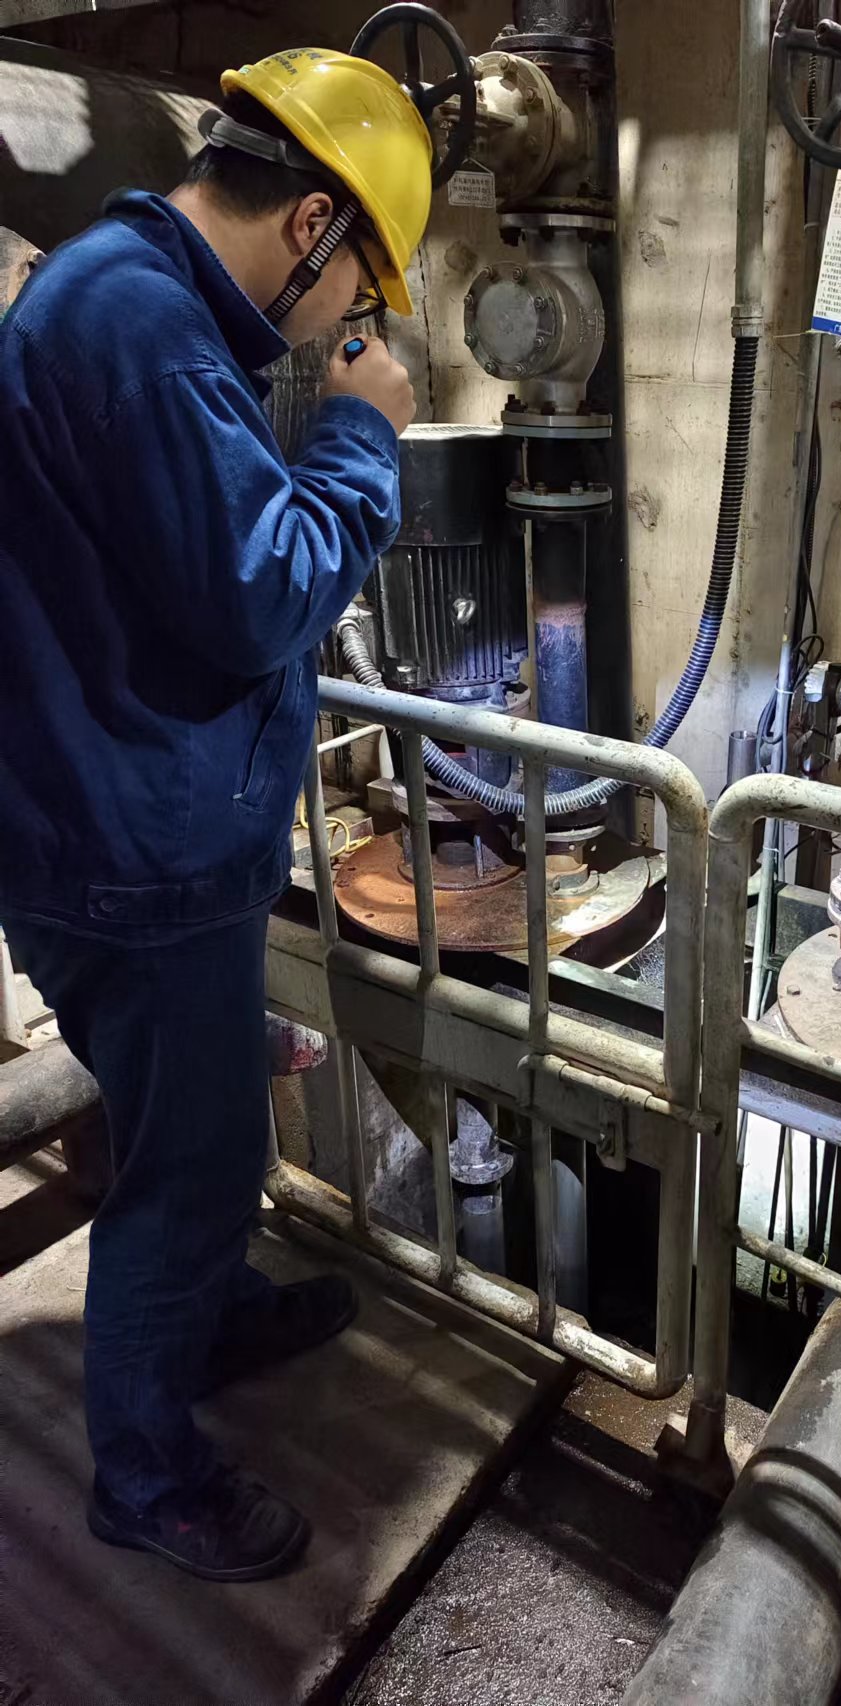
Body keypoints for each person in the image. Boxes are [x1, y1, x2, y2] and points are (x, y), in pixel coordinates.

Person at [0, 47, 433, 1581]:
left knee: (188, 1120)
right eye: (362, 282)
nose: (352, 318)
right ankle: (147, 1470)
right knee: (186, 1165)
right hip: (135, 853)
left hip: (108, 823)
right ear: (312, 224)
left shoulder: (128, 295)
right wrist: (362, 431)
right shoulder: (152, 340)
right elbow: (262, 593)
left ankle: (207, 1312)